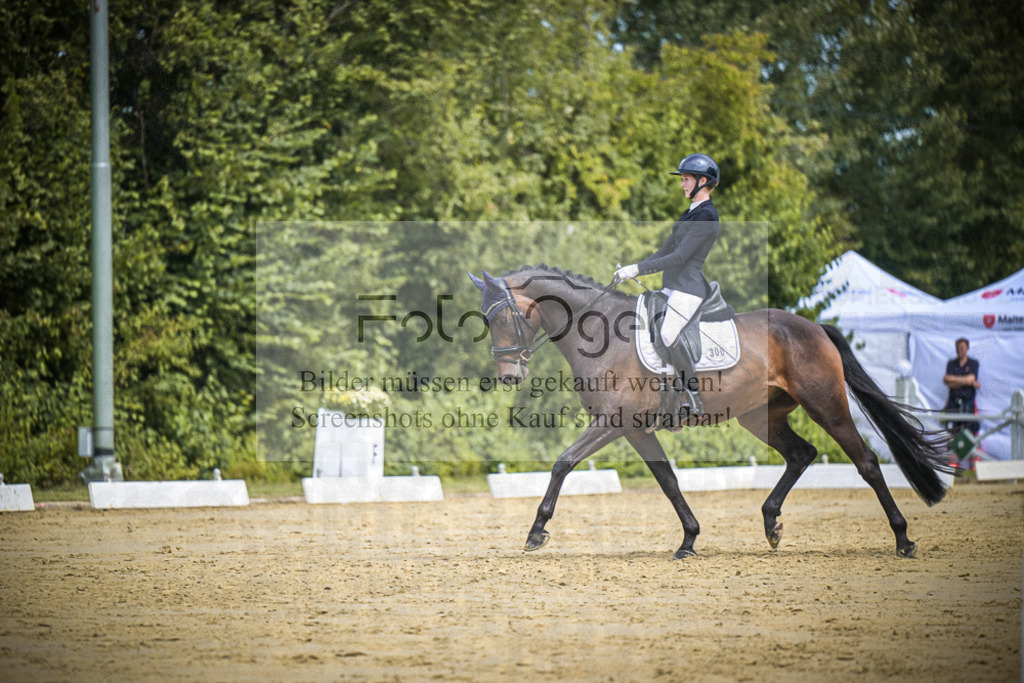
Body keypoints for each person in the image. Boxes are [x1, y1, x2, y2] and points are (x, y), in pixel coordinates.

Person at [613, 153, 720, 417]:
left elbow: (680, 257)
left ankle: (693, 398)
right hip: (672, 287)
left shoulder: (707, 216)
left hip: (688, 289)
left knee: (669, 334)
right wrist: (632, 268)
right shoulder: (690, 213)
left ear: (702, 181)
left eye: (686, 179)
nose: (682, 184)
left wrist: (638, 270)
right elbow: (664, 251)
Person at [943, 337, 980, 437]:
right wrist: (967, 381)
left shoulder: (973, 363)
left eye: (962, 348)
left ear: (968, 348)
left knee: (969, 432)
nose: (959, 350)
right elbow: (946, 380)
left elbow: (971, 379)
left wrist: (953, 380)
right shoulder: (951, 363)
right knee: (951, 431)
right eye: (957, 348)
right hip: (953, 402)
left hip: (968, 403)